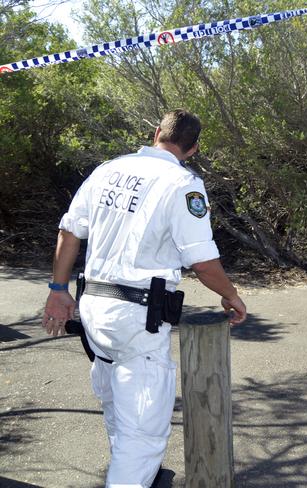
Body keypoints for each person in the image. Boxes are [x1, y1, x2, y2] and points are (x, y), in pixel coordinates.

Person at [41, 109, 246, 488]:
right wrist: (231, 295)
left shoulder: (108, 170)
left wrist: (57, 291)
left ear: (155, 133)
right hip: (136, 320)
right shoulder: (183, 184)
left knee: (118, 413)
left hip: (94, 312)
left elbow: (69, 232)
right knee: (144, 437)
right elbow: (202, 262)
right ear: (194, 148)